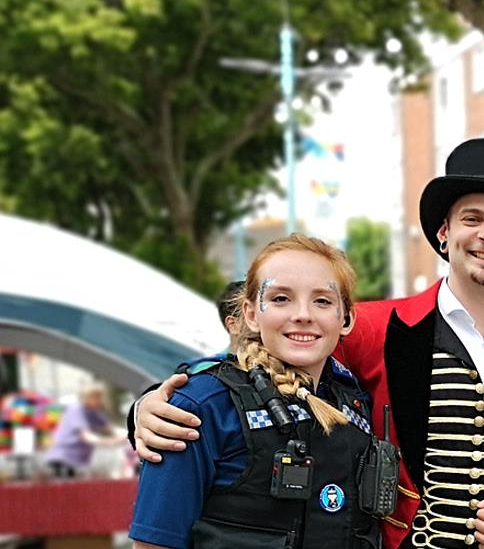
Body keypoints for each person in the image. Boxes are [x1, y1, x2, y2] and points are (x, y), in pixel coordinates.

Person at [133, 139, 484, 549]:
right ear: (444, 233)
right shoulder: (373, 326)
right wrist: (146, 406)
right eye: (472, 218)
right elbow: (262, 363)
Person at [130, 235, 379, 548]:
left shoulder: (358, 405)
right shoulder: (199, 407)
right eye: (280, 299)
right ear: (251, 314)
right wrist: (142, 409)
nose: (303, 314)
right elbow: (154, 542)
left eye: (322, 300)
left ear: (346, 318)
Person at [43, 384, 125, 479]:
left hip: (77, 459)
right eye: (97, 397)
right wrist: (109, 442)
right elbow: (86, 436)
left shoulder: (93, 411)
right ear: (88, 397)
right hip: (63, 457)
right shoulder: (76, 410)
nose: (100, 401)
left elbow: (110, 428)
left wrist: (127, 435)